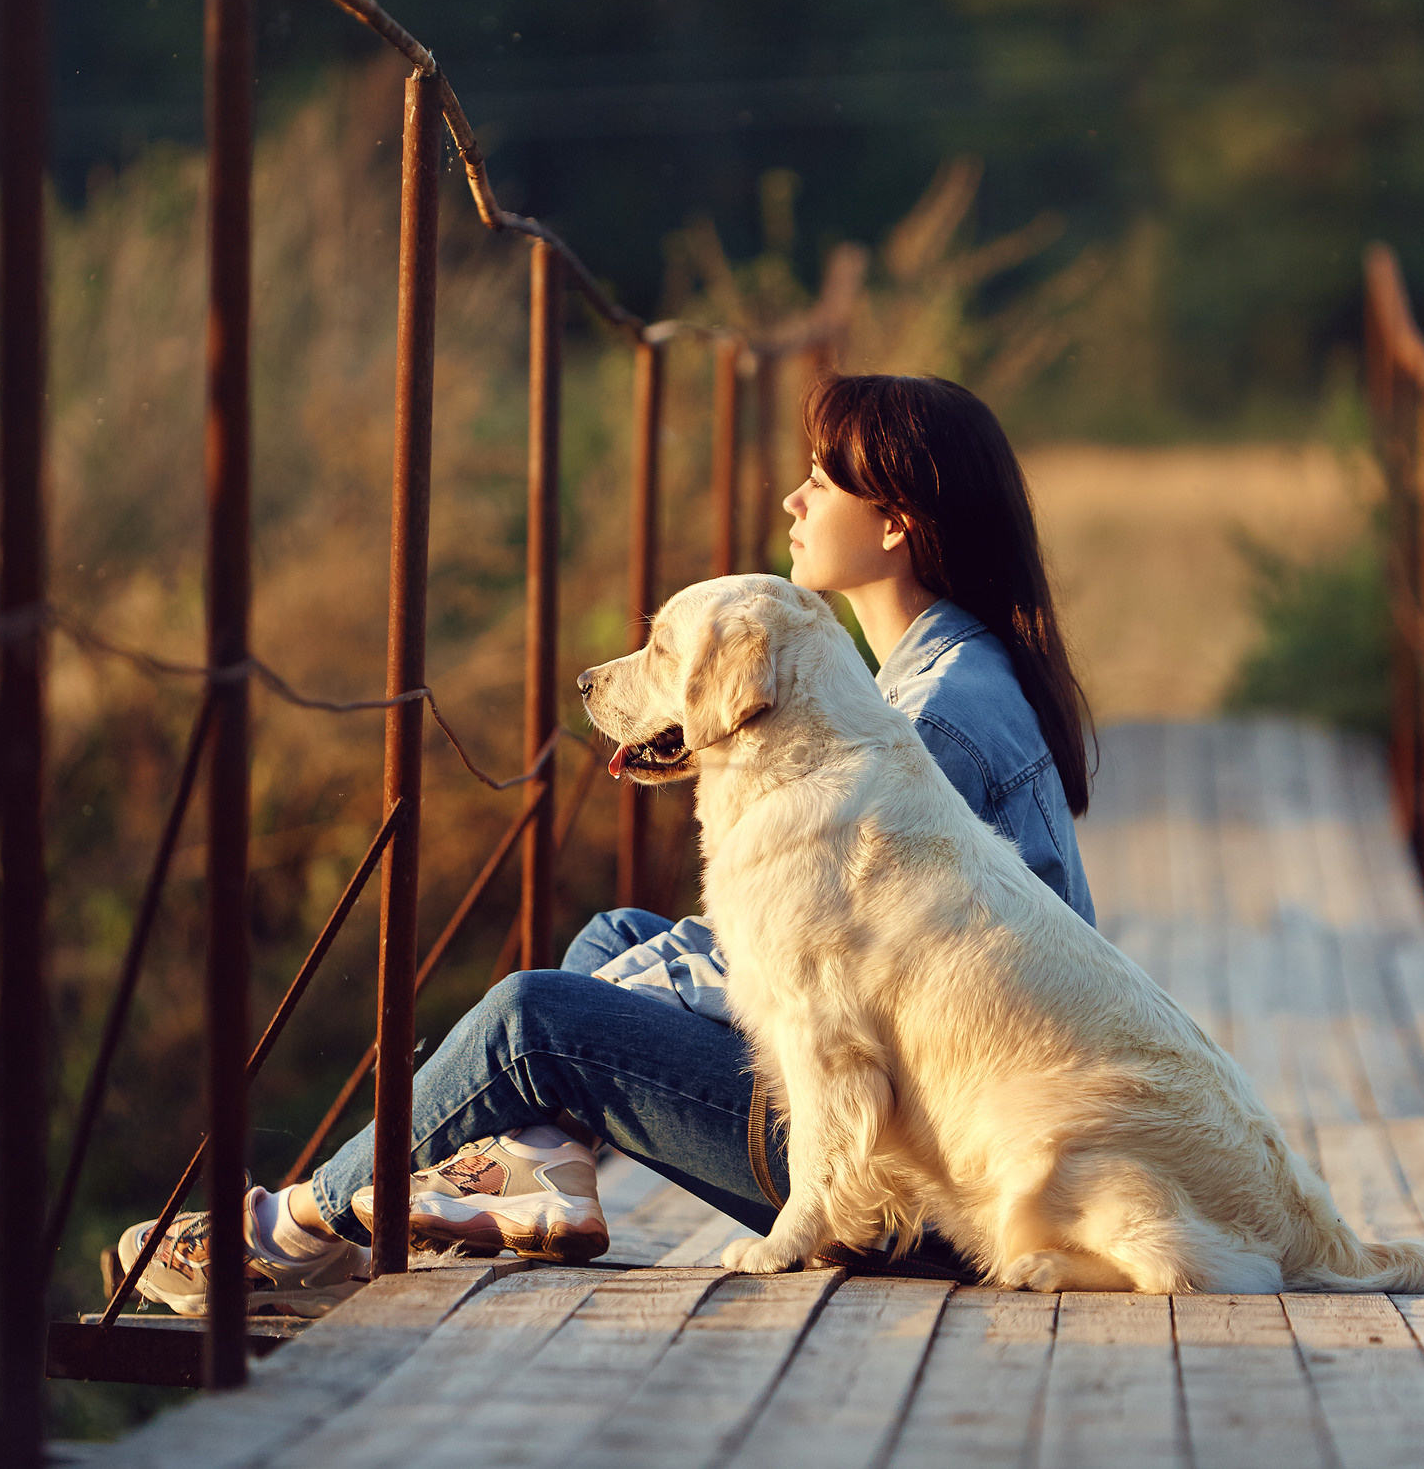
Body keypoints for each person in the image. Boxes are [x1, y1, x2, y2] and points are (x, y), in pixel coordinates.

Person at [117, 373, 1096, 1312]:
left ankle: (295, 1225)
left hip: (912, 1176)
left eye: (821, 480)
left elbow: (831, 992)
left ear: (895, 523)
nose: (793, 500)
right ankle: (547, 1170)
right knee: (612, 938)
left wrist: (574, 1022)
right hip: (896, 1102)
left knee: (534, 1015)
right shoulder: (942, 674)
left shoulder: (935, 721)